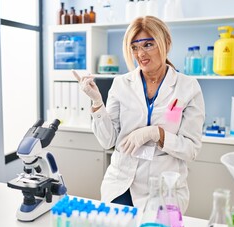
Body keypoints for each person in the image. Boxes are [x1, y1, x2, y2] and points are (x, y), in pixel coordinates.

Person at [72, 16, 205, 214]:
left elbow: (191, 150)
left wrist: (156, 134)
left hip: (163, 187)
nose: (140, 53)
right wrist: (97, 103)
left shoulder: (187, 87)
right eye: (134, 47)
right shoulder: (121, 83)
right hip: (121, 182)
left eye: (148, 44)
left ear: (166, 43)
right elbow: (108, 141)